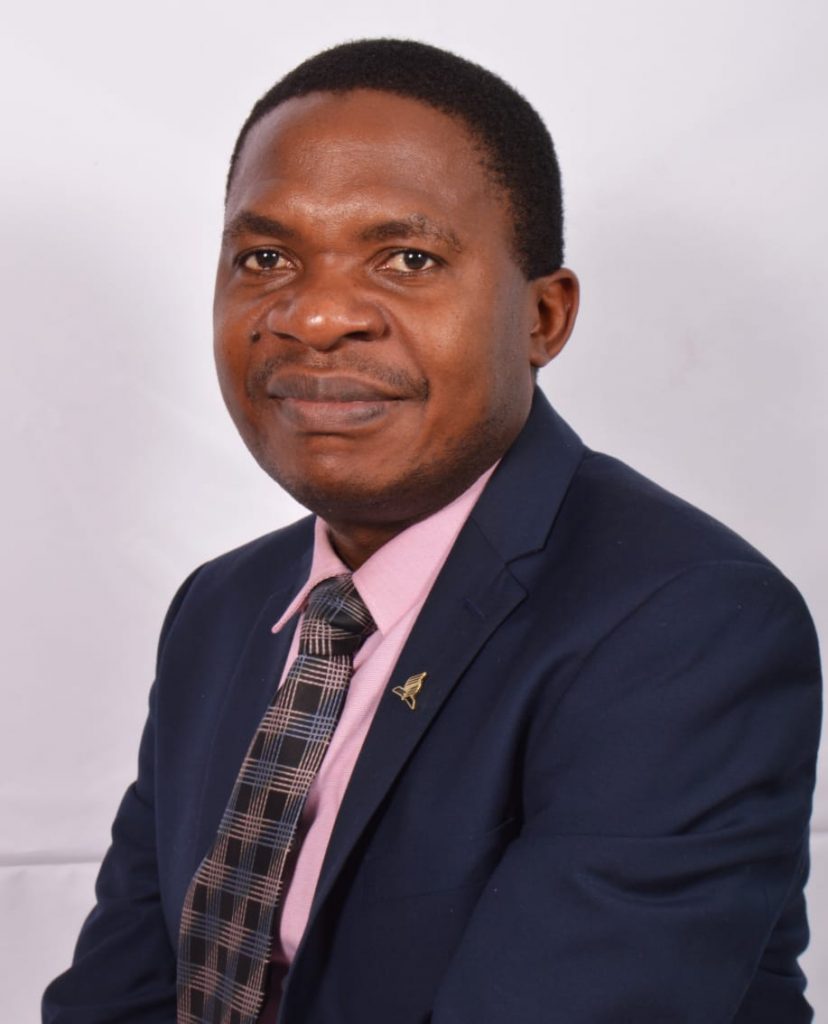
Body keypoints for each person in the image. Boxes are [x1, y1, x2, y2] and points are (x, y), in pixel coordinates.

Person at [43, 38, 822, 1024]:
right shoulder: (222, 608)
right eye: (266, 258)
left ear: (544, 317)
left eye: (408, 258)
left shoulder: (683, 625)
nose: (316, 317)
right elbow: (120, 999)